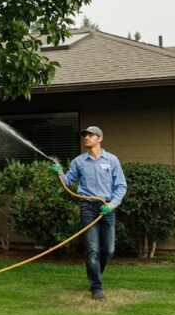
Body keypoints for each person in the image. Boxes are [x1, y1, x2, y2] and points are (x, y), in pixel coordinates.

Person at [50, 126, 127, 300]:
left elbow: (121, 186)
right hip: (87, 208)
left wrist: (112, 205)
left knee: (108, 250)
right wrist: (59, 173)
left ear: (99, 138)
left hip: (107, 208)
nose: (86, 138)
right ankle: (96, 287)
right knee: (92, 249)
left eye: (90, 135)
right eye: (85, 135)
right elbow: (68, 181)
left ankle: (95, 275)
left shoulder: (112, 160)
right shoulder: (79, 161)